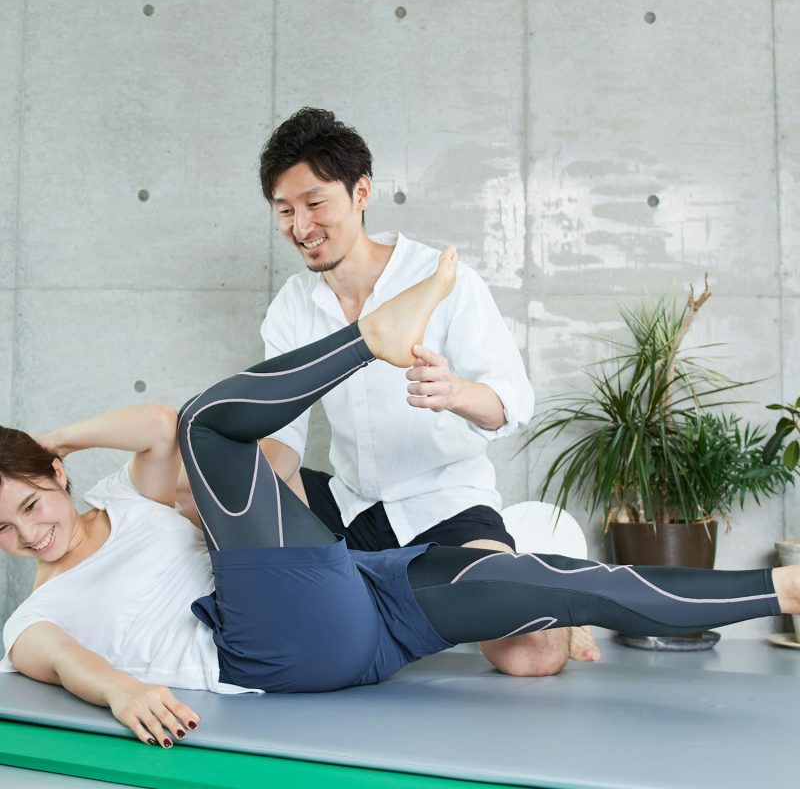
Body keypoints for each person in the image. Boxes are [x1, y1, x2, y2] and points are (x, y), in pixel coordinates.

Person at [1, 254, 796, 752]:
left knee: (564, 585)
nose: (27, 534)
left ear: (58, 477)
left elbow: (154, 426)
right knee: (214, 428)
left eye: (30, 505)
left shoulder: (122, 500)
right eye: (3, 531)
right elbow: (67, 663)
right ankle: (369, 340)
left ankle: (784, 591)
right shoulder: (33, 620)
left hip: (364, 607)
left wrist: (54, 436)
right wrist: (122, 691)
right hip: (271, 647)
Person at [254, 106, 599, 675]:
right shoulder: (292, 306)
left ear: (361, 192)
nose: (300, 226)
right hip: (350, 505)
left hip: (445, 502)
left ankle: (536, 589)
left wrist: (456, 391)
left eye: (315, 204)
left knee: (531, 659)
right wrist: (235, 476)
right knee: (200, 488)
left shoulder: (443, 277)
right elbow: (284, 441)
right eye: (285, 210)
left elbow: (513, 401)